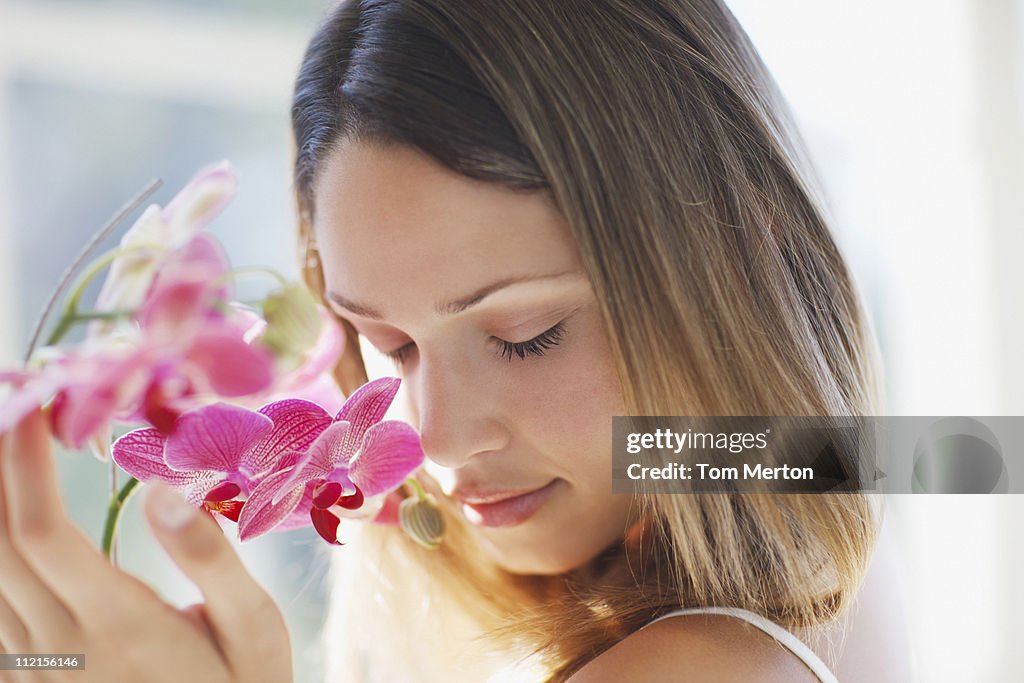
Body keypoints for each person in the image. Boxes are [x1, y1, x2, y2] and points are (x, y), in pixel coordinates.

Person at [0, 1, 911, 681]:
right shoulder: (798, 534)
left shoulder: (698, 659)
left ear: (740, 249)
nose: (433, 440)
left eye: (525, 335)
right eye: (391, 346)